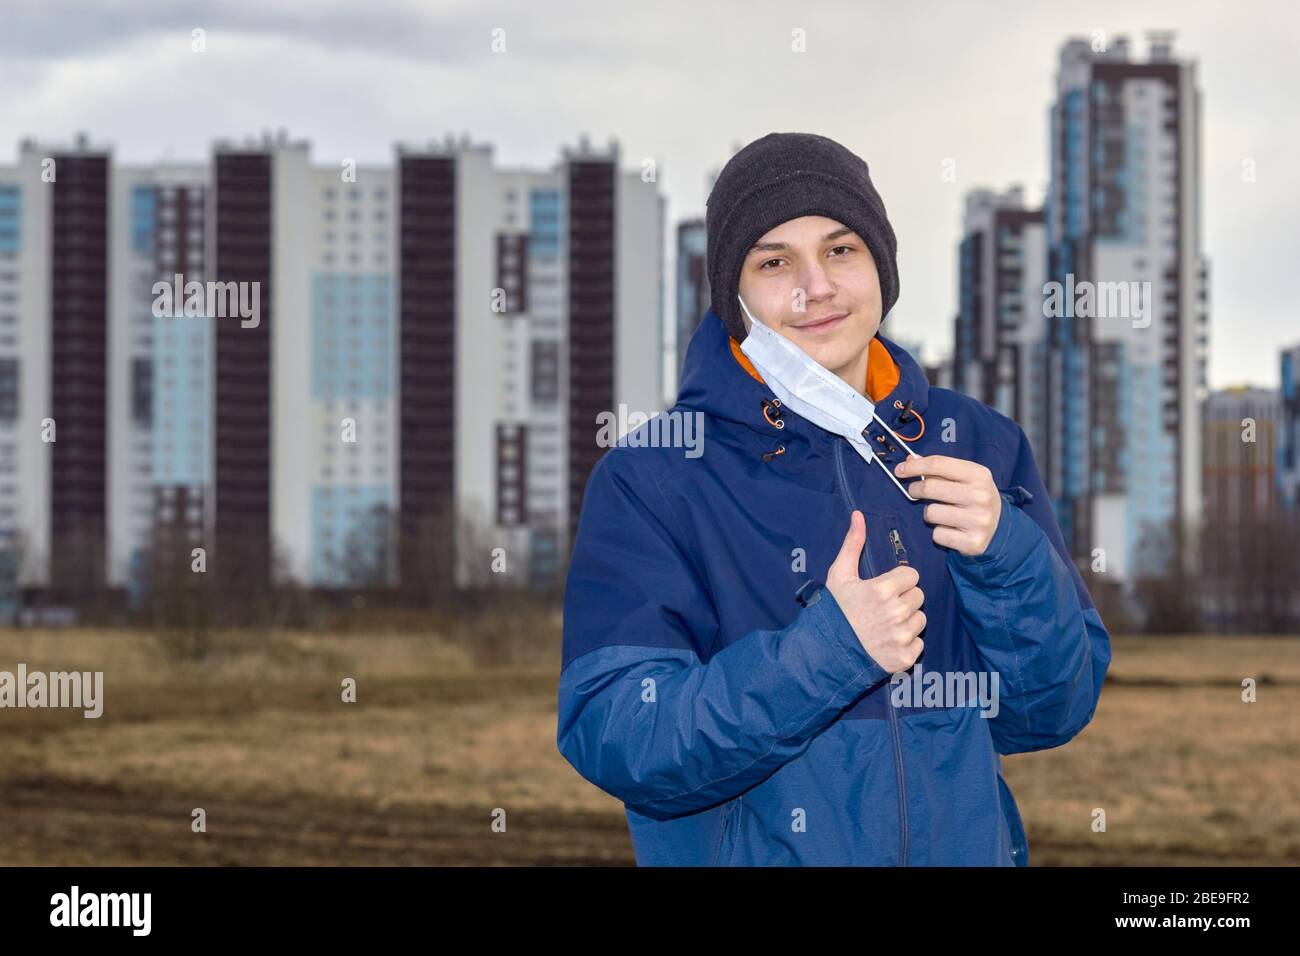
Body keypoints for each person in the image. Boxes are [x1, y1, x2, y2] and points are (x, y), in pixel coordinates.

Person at [556, 131, 1111, 866]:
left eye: (841, 250)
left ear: (881, 265)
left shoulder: (977, 442)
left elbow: (1050, 710)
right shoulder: (655, 475)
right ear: (735, 296)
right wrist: (829, 653)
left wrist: (1008, 555)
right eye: (774, 261)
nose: (815, 287)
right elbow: (619, 735)